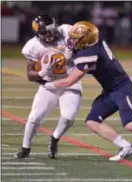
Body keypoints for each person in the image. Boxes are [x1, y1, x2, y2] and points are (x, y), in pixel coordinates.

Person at [44, 21, 132, 162]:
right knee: (92, 121)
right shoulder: (92, 41)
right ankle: (126, 146)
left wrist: (49, 84)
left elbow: (69, 81)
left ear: (85, 40)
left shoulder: (89, 53)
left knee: (130, 124)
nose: (71, 40)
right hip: (109, 90)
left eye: (75, 38)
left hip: (121, 87)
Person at [15, 14, 82, 159]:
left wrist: (74, 52)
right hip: (49, 83)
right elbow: (30, 75)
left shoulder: (67, 31)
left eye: (50, 30)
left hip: (70, 80)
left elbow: (84, 48)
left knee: (69, 116)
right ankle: (25, 148)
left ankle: (55, 137)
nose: (48, 34)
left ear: (56, 25)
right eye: (44, 33)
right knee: (34, 117)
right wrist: (42, 72)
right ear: (37, 34)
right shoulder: (33, 46)